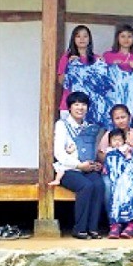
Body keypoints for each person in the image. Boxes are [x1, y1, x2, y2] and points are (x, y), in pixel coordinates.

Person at [53, 91, 104, 240]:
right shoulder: (62, 125)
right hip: (68, 170)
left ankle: (93, 228)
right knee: (86, 186)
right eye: (76, 104)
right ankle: (79, 228)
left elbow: (92, 150)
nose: (80, 108)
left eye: (83, 104)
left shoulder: (89, 127)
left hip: (87, 167)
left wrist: (94, 164)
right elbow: (59, 153)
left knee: (99, 184)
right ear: (69, 108)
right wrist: (78, 165)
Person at [57, 25, 101, 119]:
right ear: (74, 39)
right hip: (69, 105)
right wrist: (69, 66)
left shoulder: (96, 59)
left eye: (85, 36)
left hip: (90, 107)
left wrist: (102, 66)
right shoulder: (67, 57)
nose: (82, 39)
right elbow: (61, 81)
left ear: (89, 39)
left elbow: (102, 85)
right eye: (78, 36)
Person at [101, 128, 133, 239]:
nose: (116, 142)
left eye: (119, 140)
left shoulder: (125, 149)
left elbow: (130, 161)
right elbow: (106, 164)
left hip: (124, 176)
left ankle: (131, 223)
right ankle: (114, 224)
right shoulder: (108, 151)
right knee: (111, 192)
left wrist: (128, 153)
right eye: (114, 140)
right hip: (112, 177)